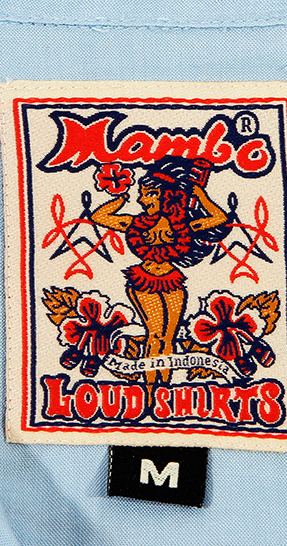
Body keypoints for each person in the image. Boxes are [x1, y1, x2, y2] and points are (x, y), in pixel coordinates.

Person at [91, 157, 227, 384]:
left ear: (164, 195)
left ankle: (163, 389)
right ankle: (150, 390)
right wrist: (121, 198)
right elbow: (99, 217)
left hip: (172, 281)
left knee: (168, 339)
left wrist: (200, 194)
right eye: (141, 194)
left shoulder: (183, 225)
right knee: (155, 336)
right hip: (144, 281)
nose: (141, 199)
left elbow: (219, 218)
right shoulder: (134, 223)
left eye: (147, 194)